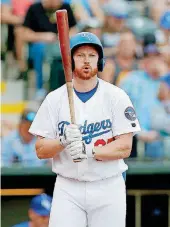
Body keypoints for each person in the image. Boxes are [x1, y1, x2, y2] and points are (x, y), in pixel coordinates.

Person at [29, 32, 141, 227]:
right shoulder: (55, 99)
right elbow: (40, 149)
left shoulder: (116, 96)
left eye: (92, 55)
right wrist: (61, 141)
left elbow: (124, 147)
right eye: (80, 55)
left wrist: (89, 151)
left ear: (100, 61)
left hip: (107, 184)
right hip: (68, 186)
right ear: (70, 60)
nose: (86, 61)